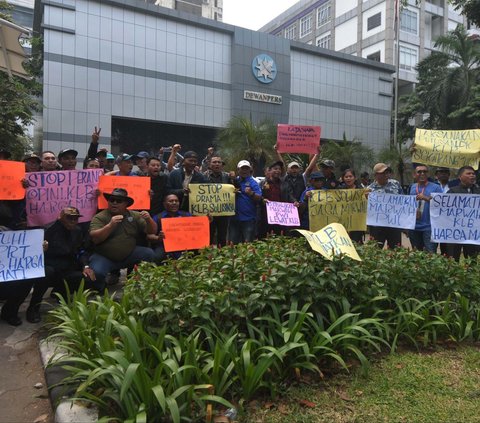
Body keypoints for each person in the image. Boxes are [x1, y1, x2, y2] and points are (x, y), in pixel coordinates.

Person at [26, 207, 95, 323]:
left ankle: (60, 292)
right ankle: (33, 307)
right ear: (60, 217)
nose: (73, 221)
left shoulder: (77, 231)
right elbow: (33, 252)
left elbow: (81, 251)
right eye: (69, 218)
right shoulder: (48, 230)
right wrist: (42, 249)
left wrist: (86, 266)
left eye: (75, 219)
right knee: (47, 273)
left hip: (68, 268)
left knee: (87, 278)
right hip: (50, 267)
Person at [88, 188, 156, 290]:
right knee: (97, 272)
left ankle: (135, 282)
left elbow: (151, 231)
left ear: (126, 204)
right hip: (105, 257)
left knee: (148, 253)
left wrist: (148, 219)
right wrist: (110, 225)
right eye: (111, 200)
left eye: (119, 201)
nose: (114, 203)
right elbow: (95, 238)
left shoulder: (134, 215)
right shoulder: (100, 217)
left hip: (129, 255)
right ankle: (100, 291)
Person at [446, 166, 480, 261]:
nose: (472, 176)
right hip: (455, 232)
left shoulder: (478, 191)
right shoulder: (452, 191)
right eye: (468, 174)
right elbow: (441, 205)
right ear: (460, 177)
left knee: (472, 259)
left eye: (473, 174)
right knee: (453, 258)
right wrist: (427, 199)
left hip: (473, 233)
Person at [367, 162, 404, 249]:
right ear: (375, 175)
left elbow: (403, 200)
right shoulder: (369, 189)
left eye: (387, 172)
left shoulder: (396, 184)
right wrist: (366, 199)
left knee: (395, 250)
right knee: (375, 250)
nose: (385, 174)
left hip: (394, 224)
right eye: (382, 173)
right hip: (377, 226)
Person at [408, 165, 442, 253]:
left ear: (428, 174)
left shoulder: (436, 187)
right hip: (414, 227)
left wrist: (426, 198)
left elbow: (442, 205)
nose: (422, 173)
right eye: (419, 172)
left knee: (430, 254)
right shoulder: (412, 187)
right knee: (416, 254)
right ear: (414, 175)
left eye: (425, 171)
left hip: (429, 227)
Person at [148, 194, 192, 263]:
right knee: (157, 257)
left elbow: (197, 228)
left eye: (176, 201)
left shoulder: (187, 215)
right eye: (171, 201)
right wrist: (158, 238)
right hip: (164, 246)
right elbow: (149, 236)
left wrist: (207, 221)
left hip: (184, 245)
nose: (174, 203)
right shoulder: (158, 217)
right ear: (164, 204)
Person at [259, 161, 296, 237]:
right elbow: (258, 196)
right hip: (266, 215)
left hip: (280, 216)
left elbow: (289, 195)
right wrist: (262, 199)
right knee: (265, 237)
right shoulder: (262, 183)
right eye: (275, 169)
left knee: (280, 236)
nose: (278, 171)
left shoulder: (284, 184)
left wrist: (294, 201)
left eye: (279, 169)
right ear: (269, 170)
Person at [228, 160, 262, 244]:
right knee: (232, 245)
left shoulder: (253, 183)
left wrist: (251, 193)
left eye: (246, 169)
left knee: (248, 245)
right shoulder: (232, 181)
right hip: (234, 218)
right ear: (238, 170)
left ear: (250, 170)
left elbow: (259, 198)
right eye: (242, 169)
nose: (244, 171)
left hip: (248, 219)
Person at [204, 155, 234, 246]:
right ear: (210, 164)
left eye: (219, 162)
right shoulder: (203, 176)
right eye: (214, 162)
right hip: (209, 212)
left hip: (223, 212)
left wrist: (233, 179)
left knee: (222, 236)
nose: (217, 164)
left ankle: (222, 257)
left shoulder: (227, 176)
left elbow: (235, 188)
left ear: (222, 165)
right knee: (209, 235)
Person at [339, 168, 364, 243]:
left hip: (357, 222)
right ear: (343, 178)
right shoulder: (339, 190)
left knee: (356, 242)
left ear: (355, 178)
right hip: (343, 221)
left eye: (350, 176)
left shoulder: (360, 189)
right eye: (346, 177)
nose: (348, 178)